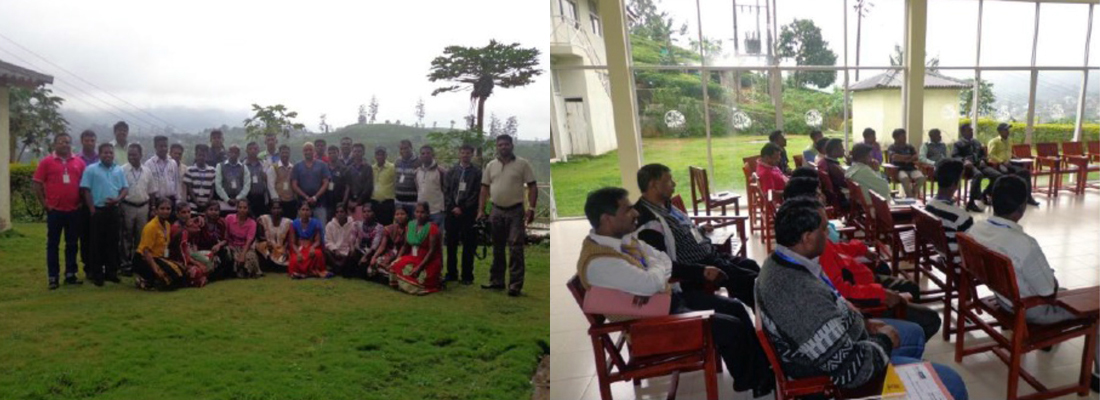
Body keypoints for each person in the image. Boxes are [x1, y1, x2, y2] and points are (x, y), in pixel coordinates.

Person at [756, 197, 968, 400]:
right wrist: (883, 340)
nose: (828, 235)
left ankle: (908, 378)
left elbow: (831, 307)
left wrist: (865, 323)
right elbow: (851, 371)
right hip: (840, 375)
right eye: (823, 229)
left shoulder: (784, 261)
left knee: (915, 332)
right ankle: (908, 382)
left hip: (845, 339)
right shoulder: (800, 295)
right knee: (953, 383)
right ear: (807, 237)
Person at [581, 187, 774, 397]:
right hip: (650, 327)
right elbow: (651, 281)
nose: (635, 213)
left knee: (736, 307)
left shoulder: (623, 241)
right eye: (627, 210)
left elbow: (659, 261)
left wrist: (656, 268)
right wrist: (657, 268)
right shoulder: (600, 262)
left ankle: (762, 371)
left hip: (664, 303)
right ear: (607, 219)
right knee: (731, 328)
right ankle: (755, 379)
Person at [782, 178, 942, 341]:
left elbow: (837, 250)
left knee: (909, 287)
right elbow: (845, 292)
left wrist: (862, 249)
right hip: (863, 300)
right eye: (818, 193)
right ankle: (904, 343)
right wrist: (883, 294)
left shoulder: (809, 242)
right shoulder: (815, 252)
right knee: (930, 318)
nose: (822, 196)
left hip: (862, 282)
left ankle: (909, 338)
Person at [634, 163, 762, 308]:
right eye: (669, 180)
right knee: (752, 282)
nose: (674, 184)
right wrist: (702, 270)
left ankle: (764, 314)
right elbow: (663, 264)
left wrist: (700, 230)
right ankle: (767, 320)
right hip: (700, 268)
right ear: (654, 185)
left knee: (751, 266)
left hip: (712, 255)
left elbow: (682, 231)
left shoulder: (666, 205)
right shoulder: (648, 223)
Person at [477, 134, 538, 297]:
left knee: (516, 248)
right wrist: (481, 210)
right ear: (497, 147)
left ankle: (515, 285)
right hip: (496, 210)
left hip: (516, 211)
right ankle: (496, 281)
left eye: (506, 144)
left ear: (512, 145)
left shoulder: (522, 164)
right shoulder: (490, 165)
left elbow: (533, 186)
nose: (503, 147)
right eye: (500, 145)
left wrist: (531, 208)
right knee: (497, 248)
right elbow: (484, 189)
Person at [33, 133, 87, 289]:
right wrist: (45, 204)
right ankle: (53, 277)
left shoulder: (79, 162)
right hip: (55, 210)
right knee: (53, 244)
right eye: (62, 142)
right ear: (55, 144)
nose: (66, 144)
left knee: (72, 244)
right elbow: (37, 184)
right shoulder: (47, 162)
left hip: (74, 210)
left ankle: (71, 274)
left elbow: (85, 185)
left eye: (68, 142)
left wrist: (82, 202)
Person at [80, 143, 129, 286]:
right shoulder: (91, 169)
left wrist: (118, 200)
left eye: (110, 153)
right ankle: (97, 274)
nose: (108, 155)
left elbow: (125, 188)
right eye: (105, 153)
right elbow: (86, 190)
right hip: (98, 211)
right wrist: (91, 209)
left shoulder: (118, 170)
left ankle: (111, 272)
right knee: (96, 243)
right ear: (99, 154)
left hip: (113, 210)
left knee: (113, 242)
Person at [443, 144, 482, 284]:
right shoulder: (452, 171)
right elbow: (446, 191)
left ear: (472, 154)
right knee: (451, 244)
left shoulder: (477, 172)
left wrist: (463, 208)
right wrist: (453, 206)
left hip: (468, 213)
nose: (465, 155)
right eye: (463, 152)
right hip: (452, 212)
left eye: (468, 153)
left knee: (468, 244)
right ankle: (451, 273)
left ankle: (467, 275)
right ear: (459, 154)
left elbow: (476, 192)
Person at [923, 158, 975, 265]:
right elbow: (972, 248)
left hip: (943, 256)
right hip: (958, 265)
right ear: (954, 184)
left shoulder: (929, 204)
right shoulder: (961, 217)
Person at [132, 198, 191, 291]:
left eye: (168, 209)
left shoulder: (167, 225)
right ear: (156, 210)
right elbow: (146, 251)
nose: (165, 211)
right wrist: (155, 269)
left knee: (182, 275)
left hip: (159, 258)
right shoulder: (151, 227)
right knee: (169, 282)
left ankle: (149, 282)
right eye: (162, 208)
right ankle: (146, 281)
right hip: (144, 259)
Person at [119, 143, 157, 277]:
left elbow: (152, 191)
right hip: (127, 206)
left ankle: (137, 264)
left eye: (134, 154)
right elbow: (118, 189)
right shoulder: (122, 170)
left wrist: (153, 207)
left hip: (143, 207)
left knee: (141, 237)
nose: (132, 157)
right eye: (129, 154)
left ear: (141, 155)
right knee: (126, 236)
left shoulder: (147, 171)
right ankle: (125, 265)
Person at [389, 202, 444, 295]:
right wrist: (398, 258)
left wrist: (419, 267)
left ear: (427, 213)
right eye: (417, 212)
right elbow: (405, 245)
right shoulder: (410, 225)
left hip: (428, 262)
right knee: (394, 265)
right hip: (413, 258)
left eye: (422, 212)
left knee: (415, 282)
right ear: (414, 213)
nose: (419, 215)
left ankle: (435, 281)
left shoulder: (432, 228)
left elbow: (432, 251)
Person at [987, 123, 1040, 206]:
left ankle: (1028, 197)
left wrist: (1015, 157)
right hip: (999, 165)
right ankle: (1007, 197)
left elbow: (1009, 152)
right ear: (1000, 131)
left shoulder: (1009, 140)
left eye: (1008, 129)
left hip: (1009, 163)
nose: (1008, 131)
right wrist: (1001, 161)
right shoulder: (994, 141)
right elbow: (991, 154)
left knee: (1025, 173)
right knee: (1013, 175)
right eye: (1006, 130)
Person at [952, 123, 989, 212]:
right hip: (968, 167)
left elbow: (983, 155)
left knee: (997, 175)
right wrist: (964, 161)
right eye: (969, 130)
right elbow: (955, 156)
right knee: (978, 174)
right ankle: (971, 203)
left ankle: (984, 194)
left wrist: (983, 160)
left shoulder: (976, 142)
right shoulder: (958, 144)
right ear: (963, 132)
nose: (971, 132)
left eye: (972, 130)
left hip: (979, 165)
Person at [291, 142, 332, 223]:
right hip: (302, 204)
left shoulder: (322, 165)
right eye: (306, 150)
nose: (308, 152)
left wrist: (315, 197)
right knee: (301, 230)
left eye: (310, 150)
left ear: (314, 151)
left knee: (320, 229)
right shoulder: (297, 166)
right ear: (303, 152)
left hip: (319, 204)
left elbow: (326, 183)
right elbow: (294, 185)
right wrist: (306, 197)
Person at [191, 202, 232, 281]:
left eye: (216, 210)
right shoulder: (201, 221)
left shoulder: (222, 222)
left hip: (215, 249)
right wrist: (196, 256)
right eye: (211, 209)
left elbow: (226, 239)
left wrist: (218, 245)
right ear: (206, 211)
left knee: (227, 252)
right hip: (202, 250)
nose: (213, 212)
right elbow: (195, 241)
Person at [289, 203, 329, 279]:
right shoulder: (294, 223)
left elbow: (318, 241)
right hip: (299, 248)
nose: (305, 212)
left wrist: (312, 247)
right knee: (294, 260)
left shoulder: (316, 223)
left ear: (310, 212)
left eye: (307, 210)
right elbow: (292, 243)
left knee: (318, 254)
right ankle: (308, 273)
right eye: (303, 210)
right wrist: (298, 253)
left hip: (311, 247)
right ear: (299, 212)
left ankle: (308, 273)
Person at [144, 136, 180, 219]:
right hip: (156, 202)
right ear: (155, 147)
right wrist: (152, 206)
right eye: (161, 146)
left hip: (171, 201)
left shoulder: (173, 163)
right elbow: (148, 187)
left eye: (165, 146)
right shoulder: (149, 164)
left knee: (169, 227)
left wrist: (178, 201)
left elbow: (176, 183)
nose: (164, 148)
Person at [225, 201, 261, 278]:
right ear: (237, 208)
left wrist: (242, 255)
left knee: (250, 257)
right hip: (232, 246)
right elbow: (226, 236)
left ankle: (247, 271)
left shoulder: (252, 223)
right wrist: (229, 245)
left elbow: (249, 241)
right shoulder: (229, 218)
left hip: (246, 247)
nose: (242, 210)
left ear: (248, 209)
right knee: (229, 255)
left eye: (245, 208)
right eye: (240, 207)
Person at [369, 207, 408, 279]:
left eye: (402, 214)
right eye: (397, 214)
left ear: (407, 216)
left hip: (404, 254)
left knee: (397, 266)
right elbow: (382, 246)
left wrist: (396, 261)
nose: (400, 216)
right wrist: (374, 257)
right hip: (391, 252)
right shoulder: (389, 228)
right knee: (375, 263)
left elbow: (404, 247)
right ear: (394, 216)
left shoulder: (409, 229)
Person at [886, 128, 926, 199]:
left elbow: (916, 156)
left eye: (905, 136)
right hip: (899, 170)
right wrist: (908, 157)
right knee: (905, 178)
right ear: (896, 138)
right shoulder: (892, 147)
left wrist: (907, 159)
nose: (905, 138)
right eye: (903, 136)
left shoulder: (909, 146)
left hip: (911, 168)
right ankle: (911, 198)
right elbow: (895, 157)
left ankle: (912, 195)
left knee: (922, 178)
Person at [324, 203, 361, 278]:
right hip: (335, 253)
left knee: (354, 253)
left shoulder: (353, 225)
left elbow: (355, 240)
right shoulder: (330, 225)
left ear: (346, 213)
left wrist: (349, 250)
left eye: (341, 212)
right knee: (325, 251)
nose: (339, 214)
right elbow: (328, 241)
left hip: (347, 253)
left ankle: (337, 268)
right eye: (337, 212)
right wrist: (335, 250)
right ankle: (339, 268)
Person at [415, 145, 447, 229]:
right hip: (421, 212)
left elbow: (446, 190)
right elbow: (418, 189)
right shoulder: (417, 171)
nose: (425, 155)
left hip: (436, 211)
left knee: (437, 238)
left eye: (428, 153)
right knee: (422, 238)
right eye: (423, 153)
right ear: (420, 156)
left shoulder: (441, 171)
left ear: (433, 155)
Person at [256, 201, 292, 273]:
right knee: (263, 245)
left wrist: (284, 247)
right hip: (267, 245)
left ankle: (278, 266)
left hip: (281, 247)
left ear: (282, 210)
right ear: (270, 210)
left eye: (278, 208)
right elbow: (260, 236)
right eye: (274, 208)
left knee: (285, 252)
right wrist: (269, 242)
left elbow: (289, 239)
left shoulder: (289, 222)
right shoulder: (263, 219)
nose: (276, 210)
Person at [214, 144, 251, 215]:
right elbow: (218, 185)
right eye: (231, 152)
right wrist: (227, 199)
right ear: (228, 153)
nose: (233, 154)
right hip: (224, 203)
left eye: (236, 152)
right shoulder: (220, 166)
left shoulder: (244, 167)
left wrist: (238, 199)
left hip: (240, 205)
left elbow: (247, 186)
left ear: (239, 154)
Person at [817, 138, 849, 210]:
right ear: (834, 151)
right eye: (841, 148)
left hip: (830, 197)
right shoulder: (833, 167)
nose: (843, 150)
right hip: (840, 198)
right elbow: (846, 184)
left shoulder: (822, 162)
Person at [267, 144, 298, 220]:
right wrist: (276, 199)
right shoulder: (273, 167)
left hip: (291, 201)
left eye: (287, 153)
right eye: (283, 153)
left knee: (290, 223)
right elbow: (270, 186)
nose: (285, 155)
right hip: (279, 202)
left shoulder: (293, 168)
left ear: (289, 154)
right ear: (279, 154)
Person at [342, 143, 374, 216]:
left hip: (364, 203)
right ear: (352, 153)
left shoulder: (368, 168)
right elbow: (348, 187)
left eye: (359, 151)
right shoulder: (349, 169)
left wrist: (358, 202)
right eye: (355, 151)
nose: (357, 153)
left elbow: (368, 187)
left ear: (363, 153)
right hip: (351, 203)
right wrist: (347, 201)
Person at [355, 203, 385, 279]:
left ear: (374, 213)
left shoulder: (379, 227)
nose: (366, 214)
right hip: (359, 252)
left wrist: (364, 257)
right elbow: (352, 239)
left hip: (371, 254)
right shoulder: (357, 224)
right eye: (364, 212)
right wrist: (352, 250)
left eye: (369, 211)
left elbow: (374, 246)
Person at [183, 144, 217, 210]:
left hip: (207, 206)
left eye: (204, 155)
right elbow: (189, 190)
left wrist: (207, 203)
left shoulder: (212, 170)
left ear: (207, 156)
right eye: (199, 155)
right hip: (192, 205)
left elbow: (212, 189)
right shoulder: (189, 170)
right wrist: (197, 203)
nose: (201, 157)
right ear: (195, 155)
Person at [371, 146, 397, 225]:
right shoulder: (372, 168)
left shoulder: (392, 167)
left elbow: (396, 183)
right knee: (375, 227)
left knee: (387, 227)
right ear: (375, 156)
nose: (380, 156)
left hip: (387, 204)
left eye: (382, 154)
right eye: (378, 154)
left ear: (386, 155)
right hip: (374, 203)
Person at [394, 139, 420, 218]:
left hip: (413, 201)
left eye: (406, 148)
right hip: (399, 201)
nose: (404, 150)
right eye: (401, 148)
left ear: (411, 148)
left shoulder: (419, 161)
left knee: (413, 225)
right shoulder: (397, 162)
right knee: (400, 225)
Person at [243, 142, 270, 218]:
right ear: (246, 150)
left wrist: (266, 177)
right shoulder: (242, 165)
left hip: (262, 198)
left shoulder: (264, 164)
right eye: (250, 149)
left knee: (262, 220)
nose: (253, 151)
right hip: (248, 197)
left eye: (255, 149)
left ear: (258, 150)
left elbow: (270, 180)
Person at [326, 145, 346, 216]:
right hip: (327, 201)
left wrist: (344, 201)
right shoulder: (324, 167)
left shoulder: (343, 168)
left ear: (338, 153)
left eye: (334, 153)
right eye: (330, 153)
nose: (332, 155)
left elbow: (347, 187)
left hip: (339, 201)